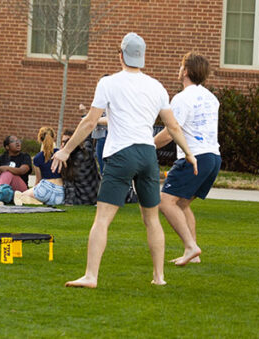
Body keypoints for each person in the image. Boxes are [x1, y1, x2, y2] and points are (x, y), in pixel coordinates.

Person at [51, 33, 196, 288]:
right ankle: (159, 277)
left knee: (103, 218)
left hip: (121, 153)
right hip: (147, 154)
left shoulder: (109, 83)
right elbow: (172, 125)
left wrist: (65, 150)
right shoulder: (156, 86)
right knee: (151, 218)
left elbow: (90, 121)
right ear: (143, 57)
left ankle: (91, 276)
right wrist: (189, 153)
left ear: (120, 55)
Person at [154, 52, 220, 267]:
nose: (178, 69)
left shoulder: (182, 98)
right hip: (213, 158)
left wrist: (146, 144)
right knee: (182, 204)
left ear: (186, 71)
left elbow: (171, 131)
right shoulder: (212, 98)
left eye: (181, 65)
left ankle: (191, 247)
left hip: (195, 157)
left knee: (165, 201)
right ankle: (193, 253)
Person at [15, 127, 65, 206]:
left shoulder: (37, 158)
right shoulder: (61, 154)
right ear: (54, 137)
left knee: (20, 195)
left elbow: (38, 179)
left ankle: (38, 200)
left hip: (44, 189)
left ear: (40, 139)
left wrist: (34, 190)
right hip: (60, 193)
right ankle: (42, 201)